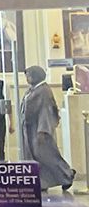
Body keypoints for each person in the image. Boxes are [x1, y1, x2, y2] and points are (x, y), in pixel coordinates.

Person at [21, 65, 77, 193]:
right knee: (36, 156)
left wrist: (43, 130)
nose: (27, 78)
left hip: (40, 129)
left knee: (47, 155)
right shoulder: (33, 89)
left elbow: (46, 111)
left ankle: (67, 174)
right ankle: (43, 181)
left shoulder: (44, 91)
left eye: (29, 75)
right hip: (31, 129)